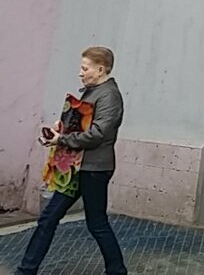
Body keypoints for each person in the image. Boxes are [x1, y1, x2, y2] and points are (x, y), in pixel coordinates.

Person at [17, 46, 127, 275]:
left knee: (96, 223)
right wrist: (62, 128)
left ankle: (117, 271)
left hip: (94, 169)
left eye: (85, 68)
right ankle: (26, 270)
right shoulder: (93, 91)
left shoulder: (109, 96)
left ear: (100, 69)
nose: (80, 72)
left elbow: (98, 134)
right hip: (76, 167)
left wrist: (62, 139)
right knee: (48, 218)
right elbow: (83, 124)